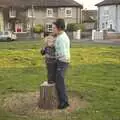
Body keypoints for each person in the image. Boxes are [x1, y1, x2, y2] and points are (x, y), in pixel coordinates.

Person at [53, 18, 70, 109]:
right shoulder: (61, 36)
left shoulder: (62, 38)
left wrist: (55, 56)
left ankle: (64, 102)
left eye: (54, 27)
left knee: (60, 81)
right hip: (62, 61)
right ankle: (62, 99)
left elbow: (62, 53)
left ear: (59, 28)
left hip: (62, 61)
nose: (53, 29)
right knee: (58, 80)